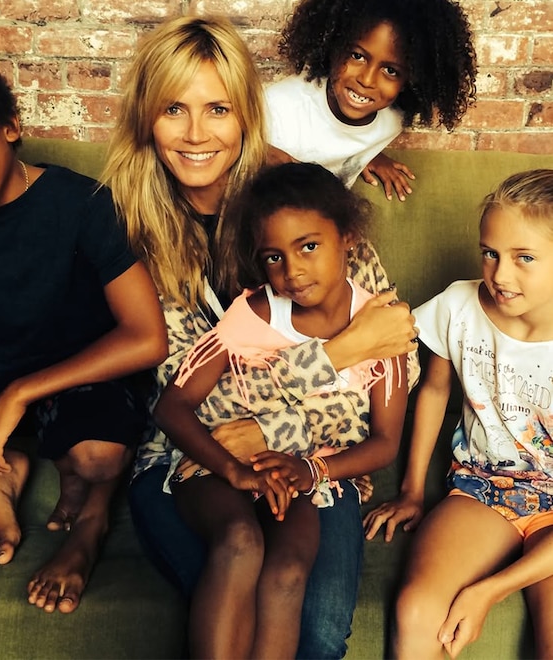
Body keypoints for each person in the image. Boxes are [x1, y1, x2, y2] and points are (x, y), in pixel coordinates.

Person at [102, 15, 418, 658]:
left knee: (316, 637)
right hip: (187, 464)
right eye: (173, 109)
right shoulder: (128, 232)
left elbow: (390, 370)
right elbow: (187, 402)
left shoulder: (307, 210)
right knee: (237, 589)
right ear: (146, 120)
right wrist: (338, 353)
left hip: (315, 469)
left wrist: (268, 428)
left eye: (217, 109)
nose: (196, 134)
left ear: (247, 114)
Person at [0, 39, 167, 615]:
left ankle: (90, 522)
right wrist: (2, 394)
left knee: (97, 457)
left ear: (10, 126)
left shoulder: (83, 204)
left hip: (76, 381)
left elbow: (147, 338)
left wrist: (20, 393)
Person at [153, 162, 409, 658]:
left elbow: (385, 443)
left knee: (288, 574)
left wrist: (310, 470)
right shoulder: (257, 313)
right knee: (240, 543)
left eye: (308, 246)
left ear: (349, 238)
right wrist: (233, 470)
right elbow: (173, 406)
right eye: (274, 257)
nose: (292, 271)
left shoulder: (383, 327)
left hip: (299, 477)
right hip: (219, 466)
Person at [363, 169, 553, 658]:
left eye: (524, 257)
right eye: (490, 253)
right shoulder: (459, 305)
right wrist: (412, 489)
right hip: (484, 487)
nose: (500, 275)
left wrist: (488, 591)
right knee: (417, 611)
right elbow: (434, 391)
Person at [265, 0, 477, 200]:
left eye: (390, 71)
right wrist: (260, 152)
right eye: (357, 56)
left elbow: (344, 140)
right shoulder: (278, 108)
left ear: (411, 80)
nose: (366, 80)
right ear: (333, 46)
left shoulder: (391, 120)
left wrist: (368, 156)